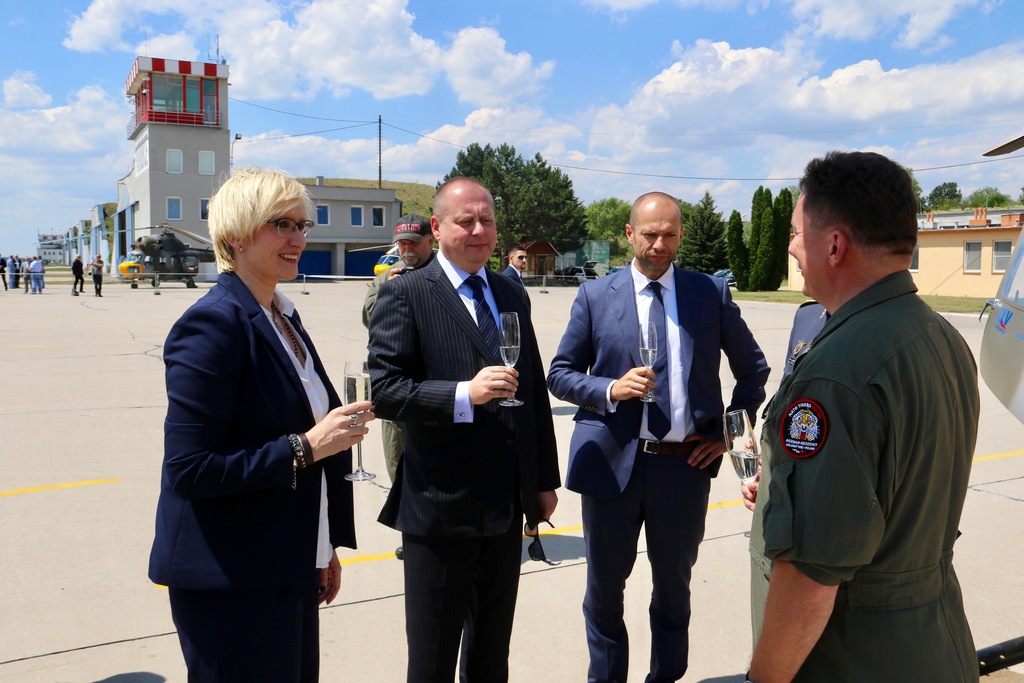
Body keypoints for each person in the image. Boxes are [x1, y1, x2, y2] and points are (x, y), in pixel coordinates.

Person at [746, 151, 980, 683]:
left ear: (834, 245)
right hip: (931, 643)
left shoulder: (836, 372)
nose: (790, 248)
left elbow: (811, 572)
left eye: (795, 233)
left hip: (852, 659)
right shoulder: (939, 336)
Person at [149, 166, 374, 683]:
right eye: (282, 224)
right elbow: (190, 469)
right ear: (235, 236)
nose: (298, 238)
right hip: (232, 581)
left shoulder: (282, 315)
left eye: (303, 225)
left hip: (286, 564)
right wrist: (304, 446)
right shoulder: (213, 324)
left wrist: (324, 547)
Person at [547, 191, 769, 683]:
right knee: (604, 592)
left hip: (683, 468)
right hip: (612, 467)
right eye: (650, 234)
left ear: (681, 234)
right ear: (629, 234)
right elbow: (559, 374)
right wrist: (609, 387)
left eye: (670, 233)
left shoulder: (707, 293)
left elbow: (753, 370)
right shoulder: (594, 296)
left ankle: (665, 677)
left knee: (674, 590)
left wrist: (728, 433)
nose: (659, 244)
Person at [367, 177, 561, 682]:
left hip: (504, 508)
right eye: (465, 221)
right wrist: (463, 394)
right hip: (440, 512)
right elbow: (387, 392)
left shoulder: (509, 293)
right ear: (437, 227)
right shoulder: (406, 294)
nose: (479, 230)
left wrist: (542, 478)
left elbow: (534, 390)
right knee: (431, 662)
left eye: (487, 220)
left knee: (491, 658)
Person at [361, 213, 434, 487]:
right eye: (402, 244)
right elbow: (368, 317)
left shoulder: (445, 272)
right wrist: (388, 293)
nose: (406, 250)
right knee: (398, 459)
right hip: (397, 383)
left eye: (413, 243)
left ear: (430, 239)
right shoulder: (386, 278)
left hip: (434, 382)